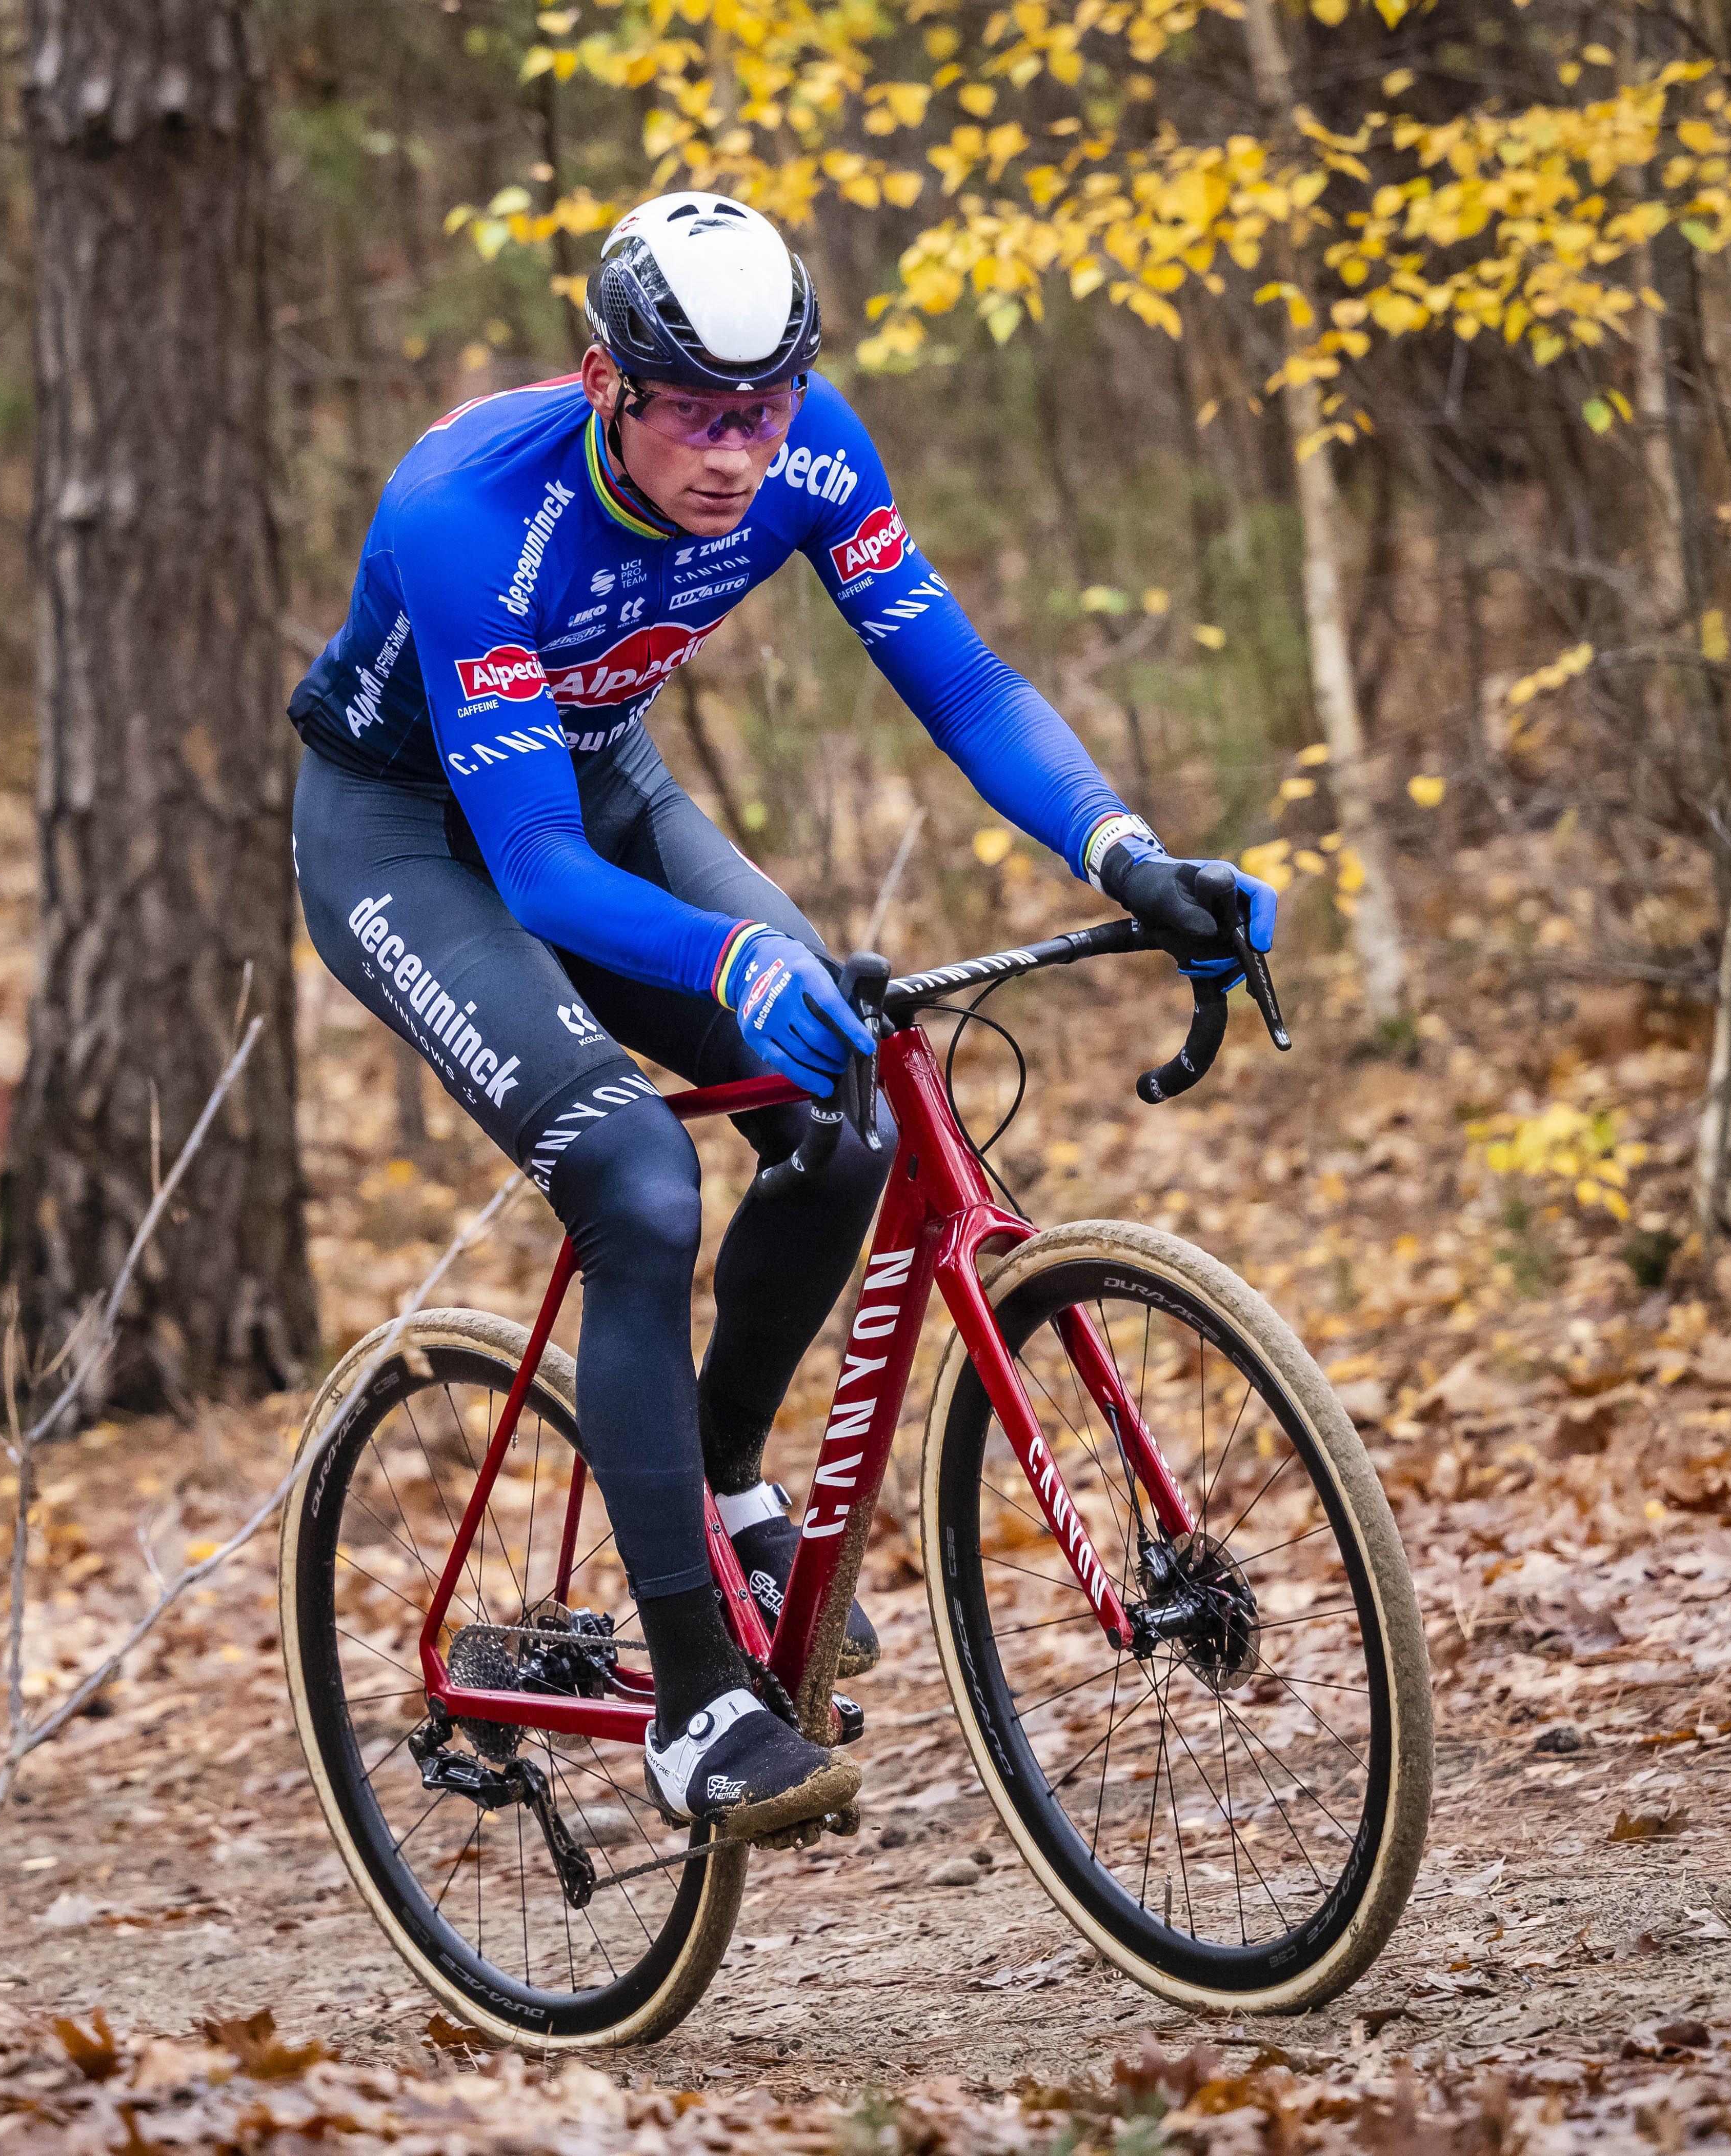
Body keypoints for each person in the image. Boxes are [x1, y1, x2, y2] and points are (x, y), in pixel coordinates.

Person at [288, 191, 1277, 1843]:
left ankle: (721, 1474)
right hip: (409, 843)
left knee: (846, 1111)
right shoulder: (469, 513)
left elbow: (962, 682)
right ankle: (696, 1707)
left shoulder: (812, 450)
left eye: (766, 409)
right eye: (697, 414)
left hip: (599, 788)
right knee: (635, 1179)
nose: (739, 453)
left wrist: (1124, 848)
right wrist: (736, 960)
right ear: (604, 383)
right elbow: (531, 868)